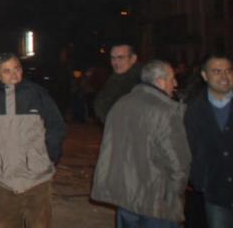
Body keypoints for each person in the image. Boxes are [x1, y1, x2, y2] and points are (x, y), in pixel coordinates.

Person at [91, 59, 191, 227]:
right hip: (156, 201)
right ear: (160, 81)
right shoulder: (166, 111)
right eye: (172, 78)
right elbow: (179, 162)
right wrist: (174, 194)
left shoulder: (121, 104)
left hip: (125, 197)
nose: (175, 83)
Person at [0, 53, 66, 228]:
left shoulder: (37, 94)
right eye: (7, 71)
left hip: (37, 178)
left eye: (17, 68)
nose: (14, 74)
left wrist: (47, 157)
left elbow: (57, 127)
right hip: (4, 178)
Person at [184, 55, 233, 227]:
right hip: (215, 193)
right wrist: (200, 180)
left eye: (228, 71)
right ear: (204, 76)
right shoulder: (194, 110)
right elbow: (190, 148)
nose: (224, 76)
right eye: (217, 71)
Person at [94, 44, 141, 122]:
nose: (116, 62)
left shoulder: (140, 82)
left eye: (121, 58)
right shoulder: (113, 80)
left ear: (133, 58)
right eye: (113, 58)